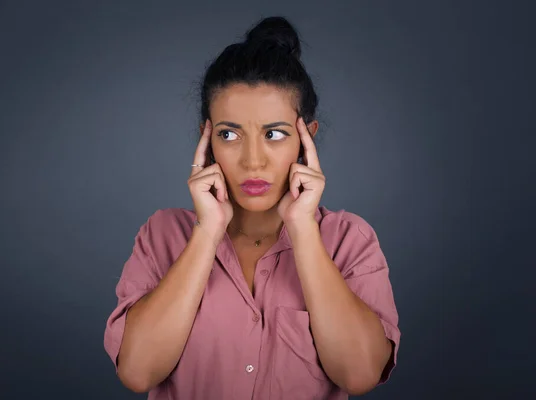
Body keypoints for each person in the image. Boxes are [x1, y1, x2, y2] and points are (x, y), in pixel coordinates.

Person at [104, 16, 400, 400]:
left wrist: (304, 230)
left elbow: (359, 375)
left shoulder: (348, 239)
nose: (252, 161)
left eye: (274, 134)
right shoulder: (163, 235)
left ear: (306, 138)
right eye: (229, 135)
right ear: (206, 139)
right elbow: (138, 372)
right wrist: (207, 232)